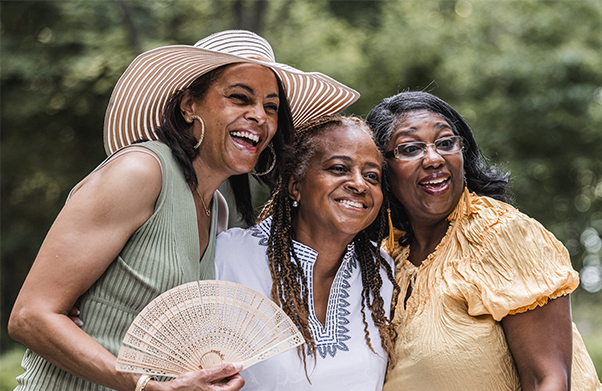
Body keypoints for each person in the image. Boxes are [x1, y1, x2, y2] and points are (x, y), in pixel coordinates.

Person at [8, 30, 359, 391]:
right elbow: (30, 316)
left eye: (271, 107)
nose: (259, 116)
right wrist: (146, 385)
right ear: (189, 105)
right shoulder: (141, 173)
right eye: (240, 98)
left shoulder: (220, 212)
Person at [366, 91, 602, 391]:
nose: (434, 158)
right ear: (381, 169)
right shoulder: (387, 258)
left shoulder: (500, 235)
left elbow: (548, 380)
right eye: (411, 149)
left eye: (446, 143)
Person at [214, 115, 399, 390]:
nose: (360, 184)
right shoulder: (230, 256)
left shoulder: (382, 272)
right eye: (338, 169)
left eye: (372, 176)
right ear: (294, 185)